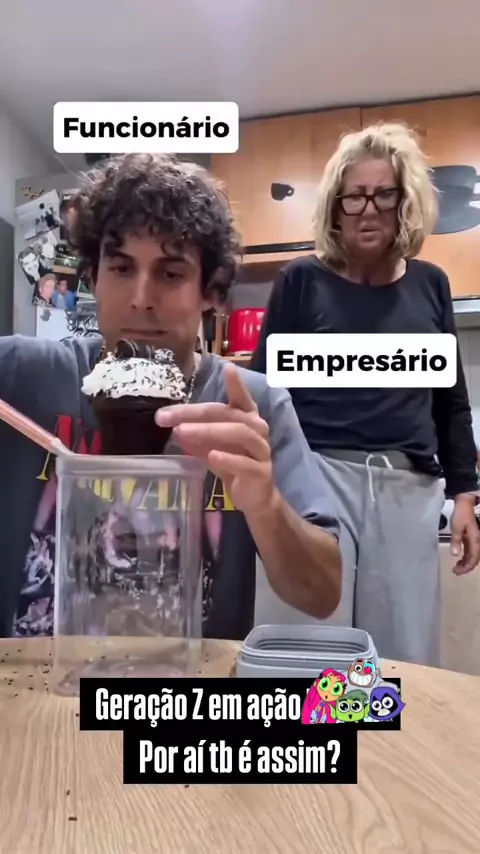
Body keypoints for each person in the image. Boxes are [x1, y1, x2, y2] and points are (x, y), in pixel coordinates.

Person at [0, 152, 341, 640]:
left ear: (211, 291)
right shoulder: (22, 375)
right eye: (121, 267)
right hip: (31, 681)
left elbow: (322, 594)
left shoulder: (253, 408)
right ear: (93, 278)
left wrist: (265, 503)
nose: (141, 298)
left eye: (170, 273)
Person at [250, 122, 480, 666]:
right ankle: (316, 727)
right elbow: (264, 395)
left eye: (384, 194)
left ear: (406, 202)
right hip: (314, 480)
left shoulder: (431, 284)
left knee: (398, 659)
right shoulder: (300, 281)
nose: (369, 210)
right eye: (355, 196)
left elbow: (450, 400)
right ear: (336, 207)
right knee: (310, 653)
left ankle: (379, 728)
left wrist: (466, 497)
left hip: (407, 490)